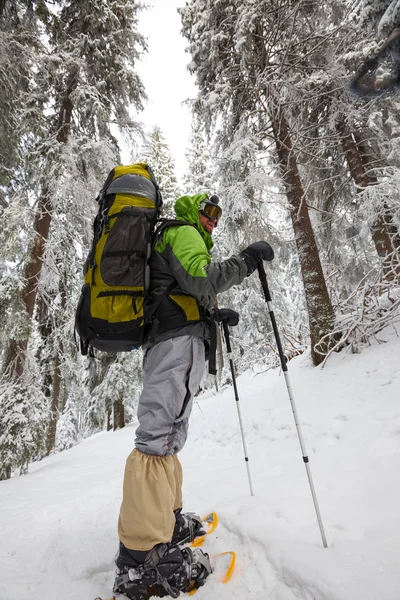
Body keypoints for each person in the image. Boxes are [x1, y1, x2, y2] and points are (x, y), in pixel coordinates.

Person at [113, 193, 274, 600]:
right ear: (193, 209)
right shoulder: (184, 231)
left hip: (177, 343)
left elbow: (183, 289)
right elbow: (202, 278)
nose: (213, 221)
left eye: (218, 215)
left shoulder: (179, 238)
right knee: (157, 436)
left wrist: (209, 315)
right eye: (209, 211)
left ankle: (163, 520)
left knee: (168, 435)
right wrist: (247, 262)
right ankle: (142, 555)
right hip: (175, 346)